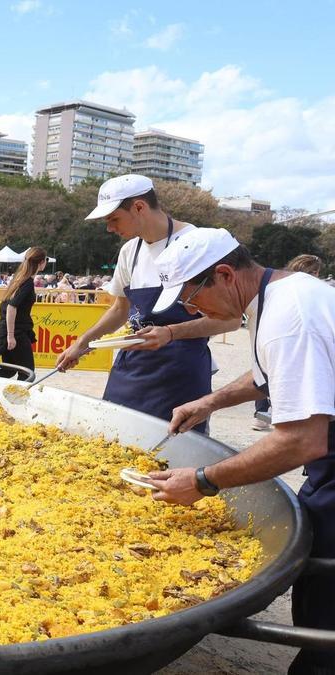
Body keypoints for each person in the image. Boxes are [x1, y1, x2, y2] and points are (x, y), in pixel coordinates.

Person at [142, 228, 335, 673]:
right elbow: (273, 376)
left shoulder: (290, 319)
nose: (193, 311)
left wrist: (204, 481)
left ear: (224, 275)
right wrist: (210, 401)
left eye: (192, 300)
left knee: (327, 599)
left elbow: (303, 439)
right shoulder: (286, 294)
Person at [54, 175, 240, 434]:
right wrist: (82, 342)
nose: (109, 228)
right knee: (108, 440)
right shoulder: (130, 251)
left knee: (171, 456)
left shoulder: (197, 244)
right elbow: (120, 309)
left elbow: (231, 319)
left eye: (113, 219)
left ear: (139, 207)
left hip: (180, 373)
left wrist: (171, 333)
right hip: (133, 368)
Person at [252, 253, 327, 431]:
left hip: (268, 343)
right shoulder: (313, 292)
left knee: (266, 371)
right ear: (315, 272)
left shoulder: (277, 288)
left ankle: (263, 413)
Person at [0, 247, 46, 378]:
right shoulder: (27, 282)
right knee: (27, 372)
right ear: (41, 262)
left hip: (10, 329)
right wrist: (11, 336)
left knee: (9, 370)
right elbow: (12, 307)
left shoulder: (19, 278)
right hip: (16, 332)